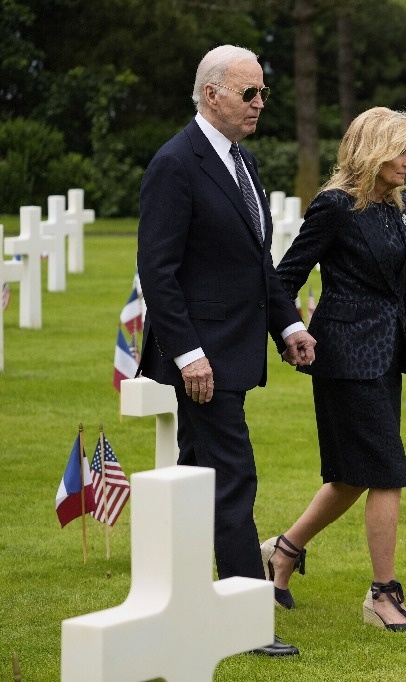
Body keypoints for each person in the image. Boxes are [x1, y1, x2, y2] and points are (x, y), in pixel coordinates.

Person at [136, 44, 316, 657]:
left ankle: (183, 594)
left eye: (264, 92)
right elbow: (157, 271)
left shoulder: (245, 162)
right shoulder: (176, 163)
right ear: (211, 94)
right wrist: (187, 354)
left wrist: (288, 325)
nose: (260, 103)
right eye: (250, 93)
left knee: (198, 472)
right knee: (233, 474)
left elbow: (256, 261)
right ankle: (243, 616)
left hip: (237, 348)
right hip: (202, 357)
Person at [263, 106, 406, 633]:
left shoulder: (400, 205)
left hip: (385, 360)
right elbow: (283, 277)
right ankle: (382, 596)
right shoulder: (334, 207)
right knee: (385, 471)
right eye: (401, 150)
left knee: (350, 477)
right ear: (373, 152)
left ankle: (283, 551)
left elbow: (405, 291)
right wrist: (291, 332)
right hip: (343, 357)